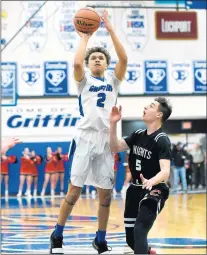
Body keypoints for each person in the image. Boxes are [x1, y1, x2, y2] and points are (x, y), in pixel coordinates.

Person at [50, 9, 127, 254]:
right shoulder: (83, 81)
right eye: (92, 58)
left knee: (105, 196)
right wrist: (85, 37)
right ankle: (57, 235)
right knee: (74, 192)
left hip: (106, 140)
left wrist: (111, 29)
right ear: (88, 63)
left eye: (100, 58)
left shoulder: (113, 81)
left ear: (106, 64)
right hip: (84, 138)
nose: (96, 60)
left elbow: (123, 60)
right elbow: (75, 62)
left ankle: (100, 239)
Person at [109, 97, 172, 254]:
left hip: (155, 189)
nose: (145, 107)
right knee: (131, 240)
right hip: (135, 189)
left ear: (159, 115)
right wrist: (113, 124)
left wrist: (151, 181)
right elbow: (115, 147)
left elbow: (165, 171)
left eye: (151, 106)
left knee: (140, 230)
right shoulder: (137, 134)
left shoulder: (161, 140)